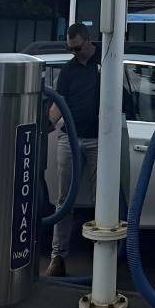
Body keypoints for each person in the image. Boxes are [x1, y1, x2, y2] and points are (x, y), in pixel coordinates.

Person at [46, 23, 100, 277]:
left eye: (77, 48)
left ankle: (103, 256)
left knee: (103, 200)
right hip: (70, 139)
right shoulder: (68, 70)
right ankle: (58, 256)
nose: (75, 53)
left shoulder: (106, 62)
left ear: (89, 41)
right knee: (64, 200)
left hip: (99, 140)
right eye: (71, 49)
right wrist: (47, 122)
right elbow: (59, 101)